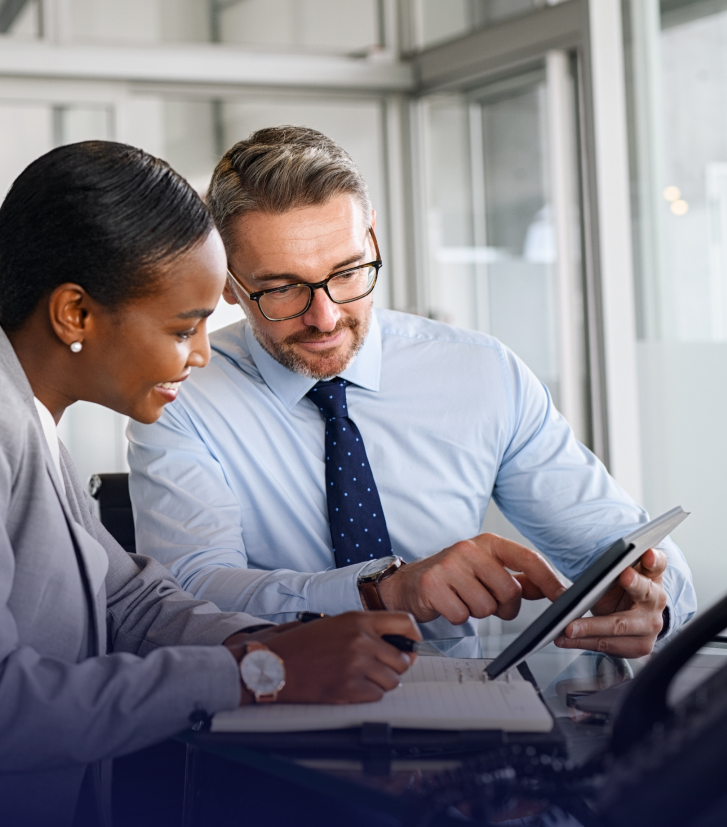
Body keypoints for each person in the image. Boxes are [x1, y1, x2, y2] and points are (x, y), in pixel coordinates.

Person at [0, 141, 421, 827]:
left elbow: (131, 602)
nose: (201, 355)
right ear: (75, 315)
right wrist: (259, 672)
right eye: (184, 327)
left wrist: (279, 642)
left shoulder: (20, 409)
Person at [127, 126, 696, 656]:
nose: (325, 318)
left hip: (476, 713)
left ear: (372, 237)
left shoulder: (480, 373)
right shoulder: (182, 394)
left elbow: (624, 544)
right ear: (227, 281)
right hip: (276, 717)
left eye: (348, 272)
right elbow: (190, 597)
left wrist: (651, 601)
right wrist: (382, 592)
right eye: (281, 290)